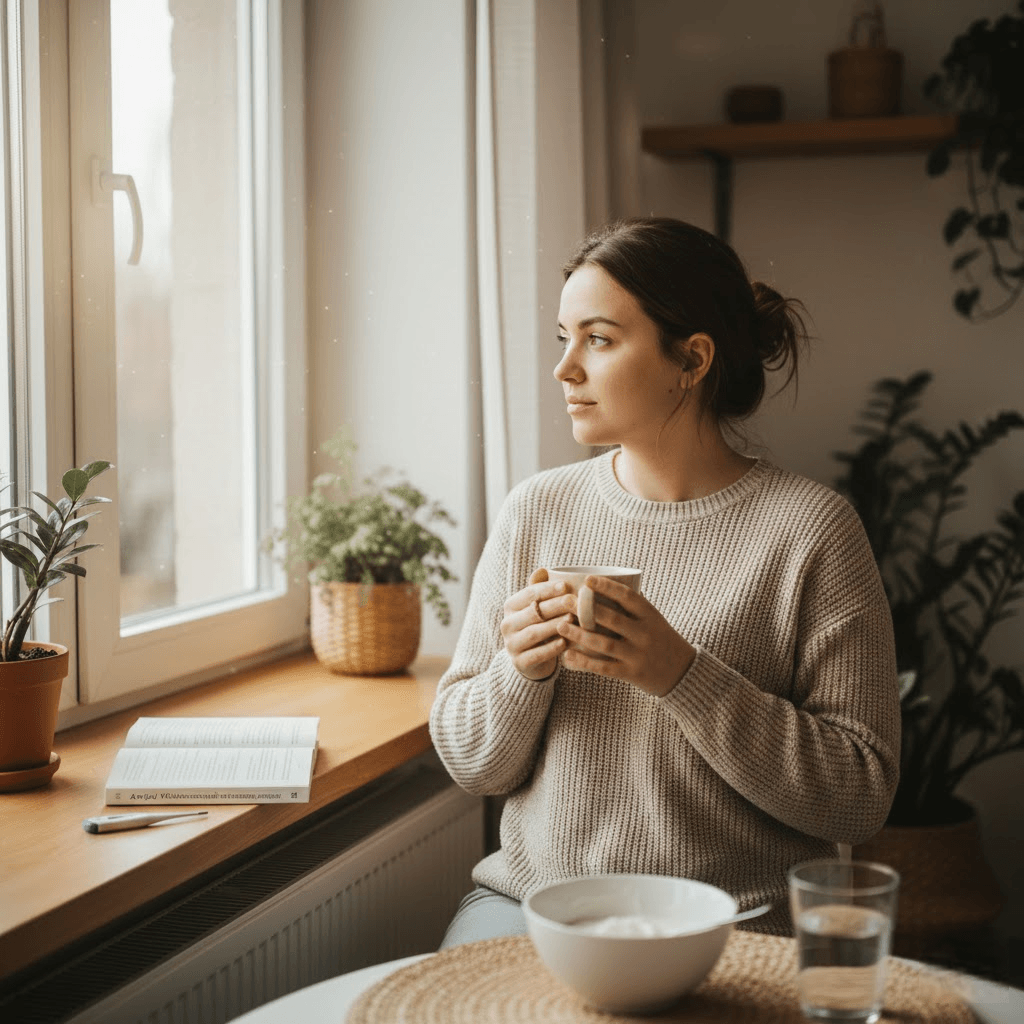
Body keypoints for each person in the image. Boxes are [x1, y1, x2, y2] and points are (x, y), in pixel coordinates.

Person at [429, 217, 900, 946]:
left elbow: (860, 796)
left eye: (600, 339)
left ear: (692, 359)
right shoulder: (538, 510)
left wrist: (681, 675)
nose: (565, 368)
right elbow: (472, 763)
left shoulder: (813, 532)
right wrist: (517, 673)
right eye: (564, 338)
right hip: (535, 910)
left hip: (737, 923)